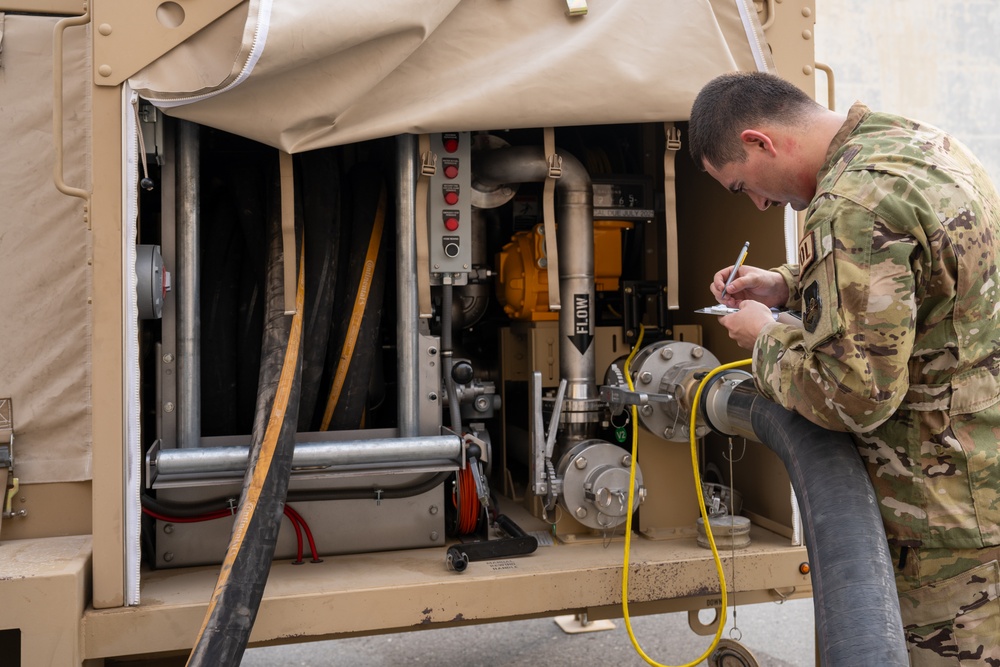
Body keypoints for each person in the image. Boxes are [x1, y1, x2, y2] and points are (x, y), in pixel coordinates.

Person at [688, 71, 1000, 665]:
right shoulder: (915, 144)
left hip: (937, 518)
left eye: (740, 186)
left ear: (760, 142)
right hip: (981, 477)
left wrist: (765, 338)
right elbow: (915, 283)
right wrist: (786, 284)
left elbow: (855, 398)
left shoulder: (849, 206)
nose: (756, 203)